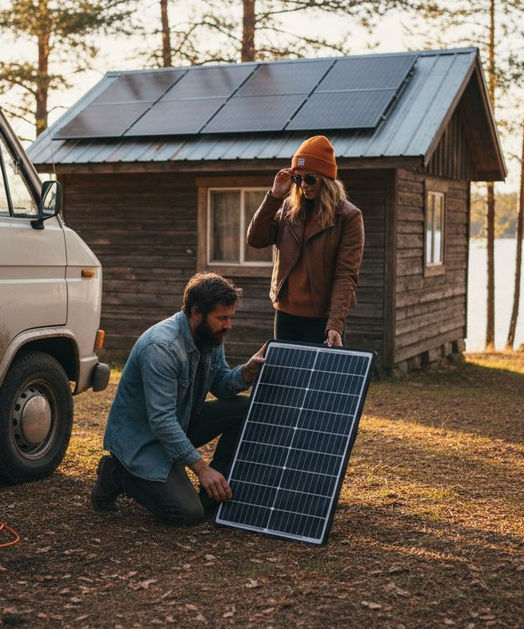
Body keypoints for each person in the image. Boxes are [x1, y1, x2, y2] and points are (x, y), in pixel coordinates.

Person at [91, 273, 265, 526]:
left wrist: (246, 372)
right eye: (223, 318)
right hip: (143, 440)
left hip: (180, 424)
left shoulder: (210, 337)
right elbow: (161, 421)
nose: (228, 325)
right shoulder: (162, 347)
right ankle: (118, 473)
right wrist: (201, 469)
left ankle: (214, 491)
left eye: (230, 318)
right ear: (197, 312)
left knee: (244, 408)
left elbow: (222, 386)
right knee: (187, 514)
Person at [246, 135, 365, 347]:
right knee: (288, 378)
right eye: (297, 179)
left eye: (310, 179)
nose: (303, 186)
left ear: (326, 180)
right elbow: (255, 238)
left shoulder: (348, 217)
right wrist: (274, 196)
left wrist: (335, 324)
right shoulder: (288, 212)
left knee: (322, 379)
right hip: (286, 315)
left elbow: (346, 274)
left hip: (323, 318)